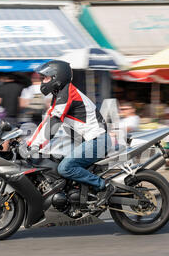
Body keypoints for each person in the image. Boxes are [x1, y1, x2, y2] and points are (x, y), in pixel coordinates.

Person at [25, 60, 114, 208]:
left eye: (45, 78)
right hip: (88, 141)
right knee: (54, 159)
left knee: (65, 168)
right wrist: (29, 144)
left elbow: (53, 123)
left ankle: (104, 186)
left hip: (97, 140)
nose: (42, 82)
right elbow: (46, 122)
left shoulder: (68, 93)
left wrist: (34, 145)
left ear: (56, 77)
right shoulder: (60, 95)